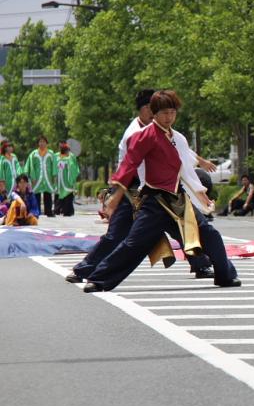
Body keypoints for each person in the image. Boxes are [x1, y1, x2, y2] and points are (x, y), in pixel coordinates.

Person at [82, 90, 239, 292]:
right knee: (133, 244)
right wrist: (115, 196)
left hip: (178, 199)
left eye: (172, 112)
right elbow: (129, 166)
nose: (169, 117)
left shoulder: (178, 138)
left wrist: (201, 195)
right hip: (153, 201)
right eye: (164, 113)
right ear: (154, 113)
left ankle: (225, 276)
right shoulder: (143, 136)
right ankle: (99, 279)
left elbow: (186, 170)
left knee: (210, 234)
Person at [23, 135, 57, 217]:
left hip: (48, 178)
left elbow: (54, 165)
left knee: (48, 194)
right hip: (37, 179)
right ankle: (36, 211)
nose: (42, 143)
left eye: (44, 142)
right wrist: (32, 177)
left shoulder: (51, 153)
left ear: (46, 143)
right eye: (40, 142)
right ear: (38, 143)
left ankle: (48, 211)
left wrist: (54, 175)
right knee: (36, 195)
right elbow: (30, 166)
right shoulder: (33, 154)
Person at [53, 142, 80, 216]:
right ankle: (60, 210)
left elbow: (73, 168)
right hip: (63, 181)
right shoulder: (59, 157)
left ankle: (65, 210)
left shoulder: (67, 157)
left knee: (65, 196)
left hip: (64, 181)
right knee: (63, 196)